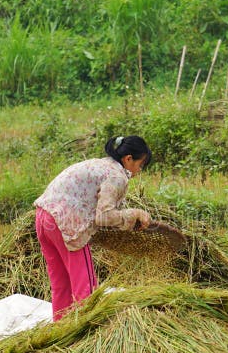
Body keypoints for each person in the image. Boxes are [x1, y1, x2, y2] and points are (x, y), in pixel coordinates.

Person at [34, 136, 152, 320]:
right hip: (66, 225)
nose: (139, 171)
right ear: (128, 159)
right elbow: (104, 216)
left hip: (44, 218)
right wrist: (134, 213)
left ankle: (60, 331)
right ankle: (86, 334)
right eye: (140, 164)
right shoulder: (117, 176)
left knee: (61, 283)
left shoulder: (100, 164)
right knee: (85, 287)